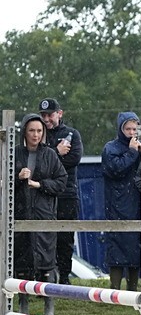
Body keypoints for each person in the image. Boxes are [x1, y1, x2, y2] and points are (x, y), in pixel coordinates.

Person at [13, 114, 68, 315]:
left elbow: (62, 181)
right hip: (21, 213)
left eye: (39, 131)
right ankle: (22, 305)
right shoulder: (15, 153)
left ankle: (49, 308)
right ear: (24, 133)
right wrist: (18, 178)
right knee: (21, 262)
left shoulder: (50, 155)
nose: (35, 135)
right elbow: (6, 184)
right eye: (31, 131)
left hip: (44, 214)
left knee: (47, 261)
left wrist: (40, 184)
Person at [38, 98, 83, 285]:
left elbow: (73, 159)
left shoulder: (72, 134)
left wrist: (49, 159)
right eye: (43, 115)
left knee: (65, 239)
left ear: (59, 113)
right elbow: (37, 165)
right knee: (43, 238)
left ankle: (63, 277)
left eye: (50, 115)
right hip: (42, 195)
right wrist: (55, 152)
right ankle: (43, 278)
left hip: (66, 194)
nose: (46, 119)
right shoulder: (37, 133)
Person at [102, 112, 141, 291]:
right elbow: (115, 169)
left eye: (135, 128)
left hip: (137, 200)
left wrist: (139, 153)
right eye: (128, 128)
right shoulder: (110, 148)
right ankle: (115, 288)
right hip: (116, 202)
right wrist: (132, 153)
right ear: (121, 129)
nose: (131, 132)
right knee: (116, 243)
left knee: (135, 245)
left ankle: (133, 289)